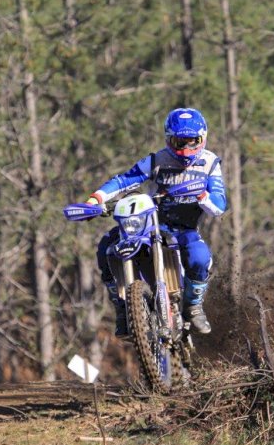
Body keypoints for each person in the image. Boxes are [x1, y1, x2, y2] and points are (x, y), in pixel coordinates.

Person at [85, 107, 227, 337]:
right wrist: (97, 198)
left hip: (184, 228)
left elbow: (219, 207)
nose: (186, 148)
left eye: (193, 141)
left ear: (203, 138)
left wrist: (202, 195)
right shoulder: (156, 160)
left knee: (199, 257)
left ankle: (193, 306)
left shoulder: (210, 163)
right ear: (169, 139)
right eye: (179, 142)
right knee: (106, 247)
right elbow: (124, 180)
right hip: (151, 223)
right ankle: (123, 308)